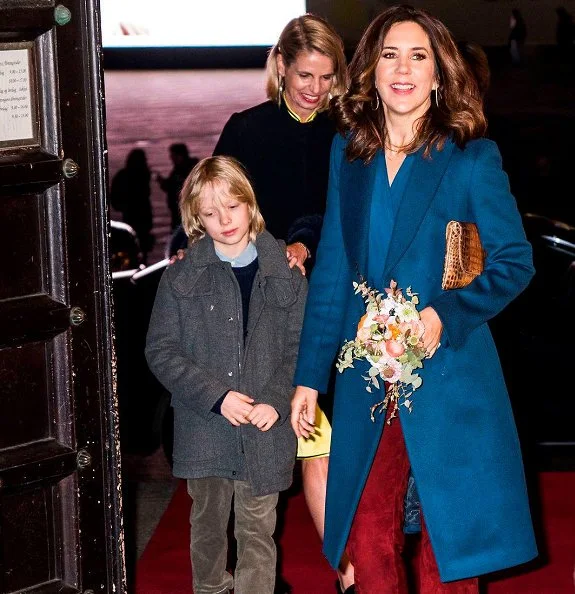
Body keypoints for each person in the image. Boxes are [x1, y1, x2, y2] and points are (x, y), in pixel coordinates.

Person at [290, 5, 538, 593]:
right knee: (368, 534)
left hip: (449, 373)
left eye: (418, 56)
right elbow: (331, 275)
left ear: (438, 74)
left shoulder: (471, 158)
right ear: (371, 70)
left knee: (446, 550)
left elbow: (514, 262)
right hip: (366, 379)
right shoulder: (347, 153)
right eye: (389, 55)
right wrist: (308, 376)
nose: (403, 68)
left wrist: (442, 315)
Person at [212, 14, 355, 593]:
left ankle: (349, 579)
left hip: (325, 307)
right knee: (252, 455)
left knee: (318, 449)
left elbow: (350, 219)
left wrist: (308, 241)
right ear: (280, 67)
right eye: (304, 74)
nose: (314, 88)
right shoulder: (245, 130)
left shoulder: (347, 136)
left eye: (325, 76)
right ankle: (249, 577)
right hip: (255, 309)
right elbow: (212, 207)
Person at [145, 156, 307, 594]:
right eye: (210, 213)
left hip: (266, 428)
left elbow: (299, 349)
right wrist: (218, 396)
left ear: (250, 205)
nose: (224, 221)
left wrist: (276, 399)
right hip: (204, 426)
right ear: (196, 219)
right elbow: (160, 351)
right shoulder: (180, 277)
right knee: (208, 528)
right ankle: (212, 589)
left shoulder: (286, 274)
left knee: (258, 532)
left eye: (232, 207)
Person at [110, 148, 154, 261]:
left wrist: (121, 206)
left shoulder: (124, 175)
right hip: (143, 215)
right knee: (142, 245)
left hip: (131, 214)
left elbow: (114, 195)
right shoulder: (143, 175)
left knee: (131, 243)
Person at [157, 142, 199, 230]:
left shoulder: (186, 170)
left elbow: (175, 187)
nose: (171, 158)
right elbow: (171, 187)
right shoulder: (179, 169)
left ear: (180, 155)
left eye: (173, 155)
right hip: (179, 211)